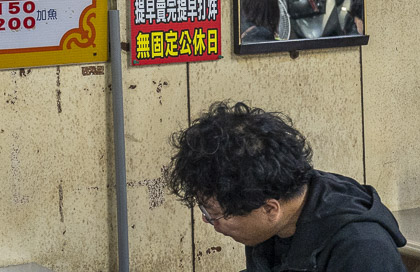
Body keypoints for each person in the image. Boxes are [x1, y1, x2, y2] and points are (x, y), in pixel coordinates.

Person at [165, 101, 406, 272]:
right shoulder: (272, 216)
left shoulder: (362, 250)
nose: (210, 222)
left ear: (270, 210)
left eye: (214, 214)